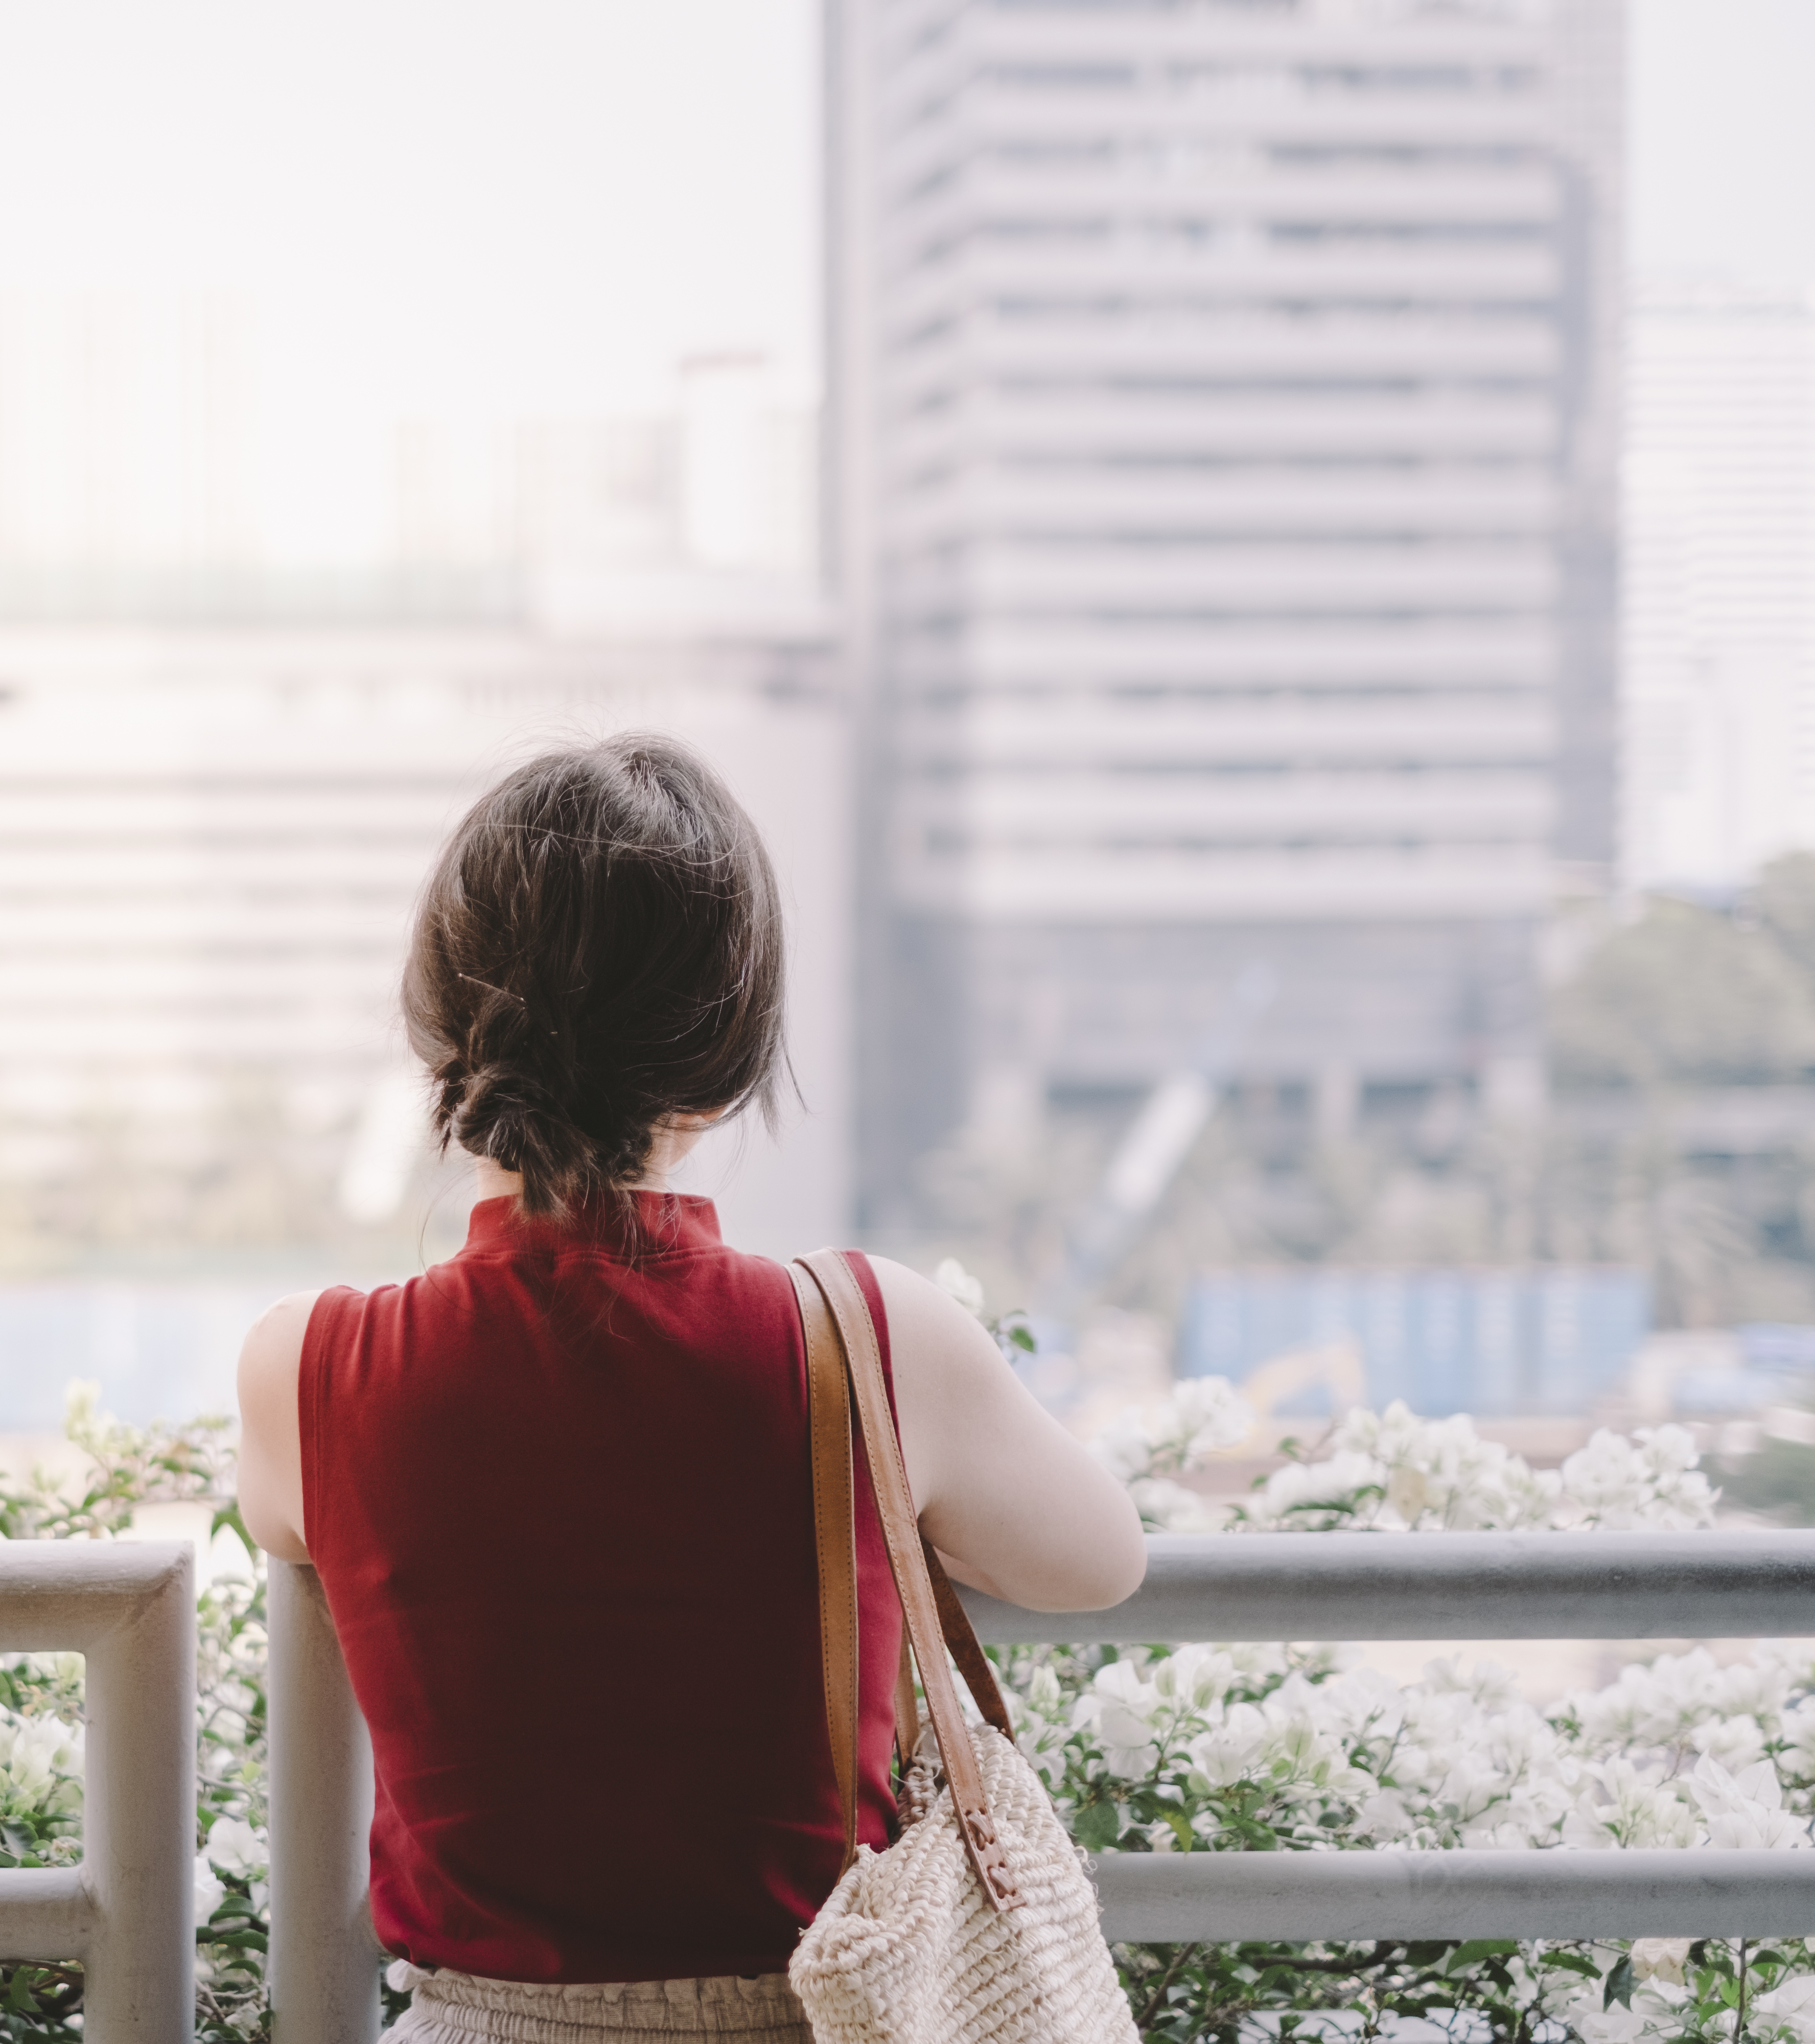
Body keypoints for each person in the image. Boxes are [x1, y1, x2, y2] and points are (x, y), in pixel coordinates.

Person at [236, 734, 1145, 2043]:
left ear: (444, 1029)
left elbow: (305, 1525)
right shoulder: (870, 1338)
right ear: (728, 1057)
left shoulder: (304, 1368)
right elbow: (1097, 1560)